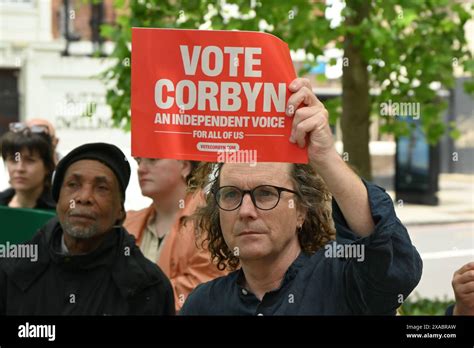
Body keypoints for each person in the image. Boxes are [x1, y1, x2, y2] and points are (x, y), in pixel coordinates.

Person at [180, 78, 423, 315]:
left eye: (266, 194)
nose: (245, 211)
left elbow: (393, 265)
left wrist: (326, 157)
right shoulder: (203, 305)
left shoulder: (345, 281)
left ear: (301, 211)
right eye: (231, 194)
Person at [0, 143, 174, 315]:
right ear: (58, 200)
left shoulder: (147, 288)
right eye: (73, 185)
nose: (84, 197)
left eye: (102, 188)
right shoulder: (12, 269)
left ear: (120, 211)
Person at [124, 158, 226, 312]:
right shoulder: (127, 222)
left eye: (152, 160)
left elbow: (203, 285)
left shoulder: (212, 221)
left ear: (185, 166)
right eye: (139, 161)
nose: (141, 169)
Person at [0, 123, 56, 209]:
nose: (20, 169)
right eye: (13, 160)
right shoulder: (2, 202)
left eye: (30, 160)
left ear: (47, 167)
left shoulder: (60, 208)